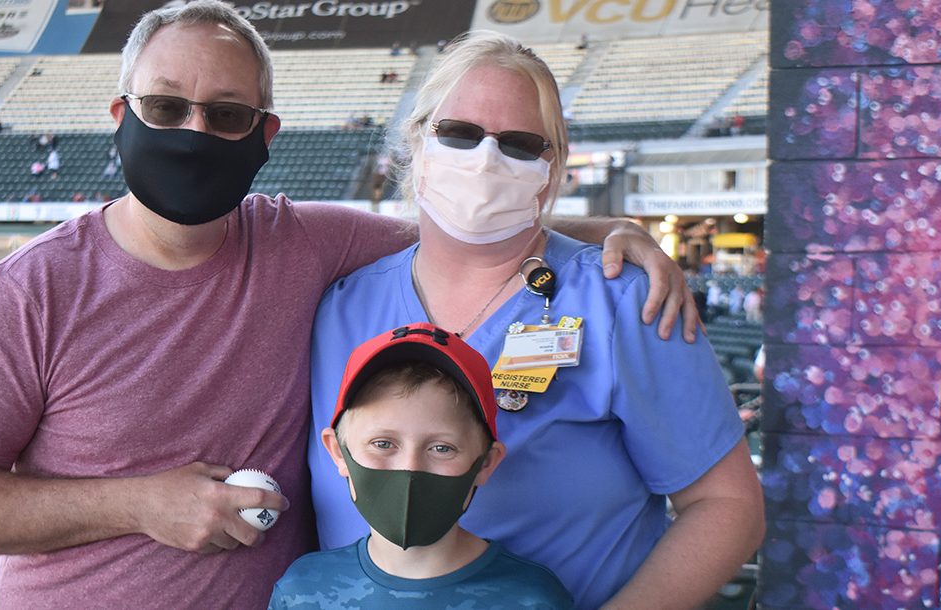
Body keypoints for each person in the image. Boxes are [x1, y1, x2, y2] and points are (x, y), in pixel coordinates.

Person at [0, 4, 698, 608]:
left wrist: (616, 231)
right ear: (121, 116)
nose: (193, 131)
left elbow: (466, 221)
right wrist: (140, 504)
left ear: (265, 133)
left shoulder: (301, 242)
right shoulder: (33, 290)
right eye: (166, 107)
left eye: (227, 114)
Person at [308, 32, 763, 610]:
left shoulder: (625, 303)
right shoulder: (339, 307)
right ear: (416, 141)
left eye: (521, 144)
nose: (486, 159)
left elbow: (727, 507)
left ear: (553, 169)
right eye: (460, 133)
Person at [270, 323, 572, 609]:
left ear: (486, 463)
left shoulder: (531, 599)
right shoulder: (303, 591)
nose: (410, 468)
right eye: (383, 444)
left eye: (441, 448)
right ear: (338, 452)